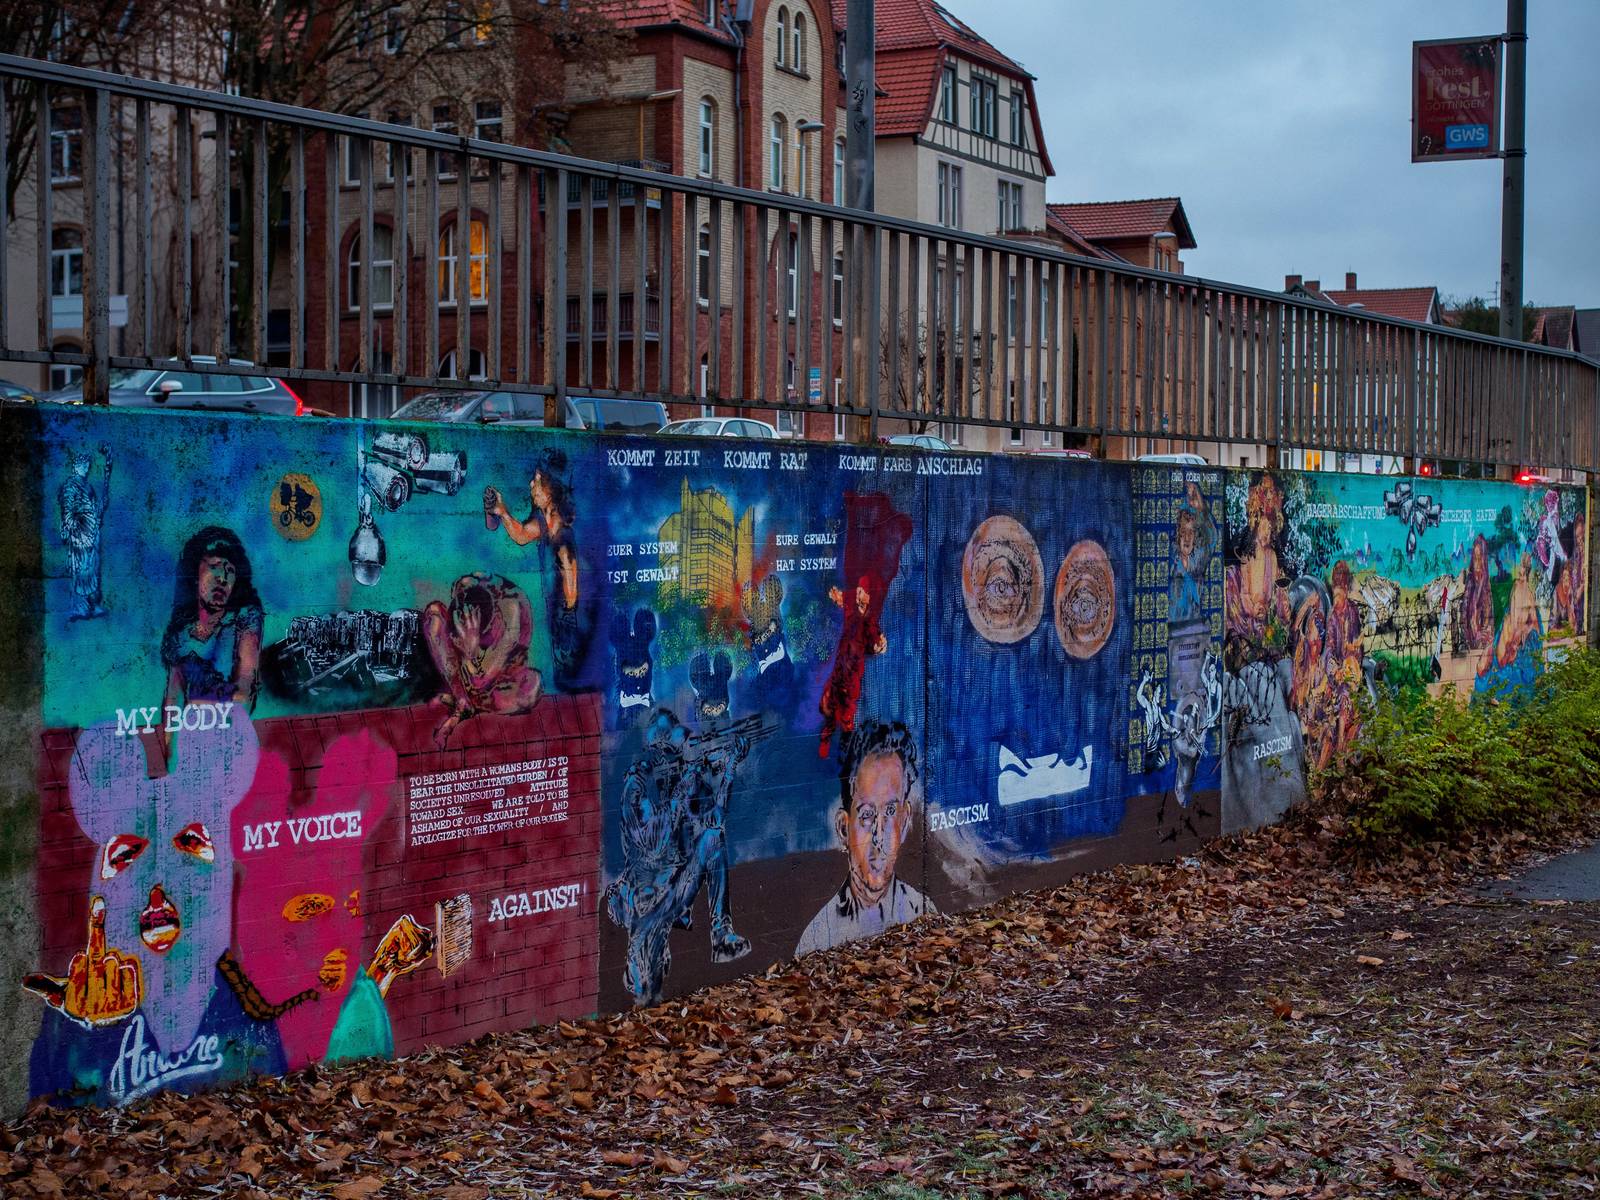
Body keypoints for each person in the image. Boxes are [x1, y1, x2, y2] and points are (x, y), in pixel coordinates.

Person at [795, 721, 934, 956]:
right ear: (843, 828)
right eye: (867, 815)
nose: (879, 836)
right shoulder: (817, 938)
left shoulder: (921, 911)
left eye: (890, 812)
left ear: (904, 821)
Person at [485, 447, 589, 691]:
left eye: (538, 479)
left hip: (567, 616)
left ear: (552, 488)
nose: (532, 484)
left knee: (569, 670)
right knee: (561, 667)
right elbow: (522, 534)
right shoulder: (544, 520)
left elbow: (571, 578)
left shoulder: (562, 533)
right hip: (557, 611)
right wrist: (502, 512)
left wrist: (567, 616)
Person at [421, 572, 542, 746]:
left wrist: (469, 650)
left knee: (434, 617)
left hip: (474, 671)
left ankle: (465, 700)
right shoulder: (515, 628)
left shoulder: (484, 687)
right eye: (522, 679)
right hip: (471, 658)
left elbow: (478, 679)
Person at [160, 527, 263, 727]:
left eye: (230, 571)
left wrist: (189, 708)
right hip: (190, 740)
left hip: (232, 735)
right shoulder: (180, 638)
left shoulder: (244, 621)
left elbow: (243, 699)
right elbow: (171, 709)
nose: (222, 578)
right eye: (215, 566)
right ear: (195, 572)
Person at [818, 574, 888, 757]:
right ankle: (826, 738)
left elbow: (875, 645)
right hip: (840, 668)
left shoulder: (870, 623)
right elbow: (843, 600)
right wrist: (837, 596)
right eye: (858, 590)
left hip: (852, 675)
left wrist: (879, 647)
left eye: (862, 591)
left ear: (869, 596)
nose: (858, 594)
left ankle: (846, 745)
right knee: (829, 702)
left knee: (847, 711)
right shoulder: (852, 609)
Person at [1225, 475, 1291, 663]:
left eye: (1271, 529)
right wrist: (1253, 608)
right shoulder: (1249, 554)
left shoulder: (1272, 555)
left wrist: (1279, 607)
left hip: (1266, 618)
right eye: (1265, 527)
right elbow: (1244, 590)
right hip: (1250, 615)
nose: (1268, 532)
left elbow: (1277, 592)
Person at [59, 444, 111, 620]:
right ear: (76, 465)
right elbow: (68, 512)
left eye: (88, 464)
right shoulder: (70, 486)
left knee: (92, 568)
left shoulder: (88, 486)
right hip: (80, 534)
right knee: (81, 569)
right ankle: (80, 606)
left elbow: (94, 510)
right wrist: (76, 530)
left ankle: (92, 604)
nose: (87, 467)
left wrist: (100, 507)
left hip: (92, 531)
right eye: (83, 464)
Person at [1462, 534, 1494, 650]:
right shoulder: (1470, 582)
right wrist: (1474, 634)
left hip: (1485, 641)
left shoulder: (1486, 584)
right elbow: (1465, 614)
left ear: (1484, 561)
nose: (1477, 565)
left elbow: (1489, 615)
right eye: (1475, 559)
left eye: (1479, 559)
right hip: (1472, 639)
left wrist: (1486, 632)